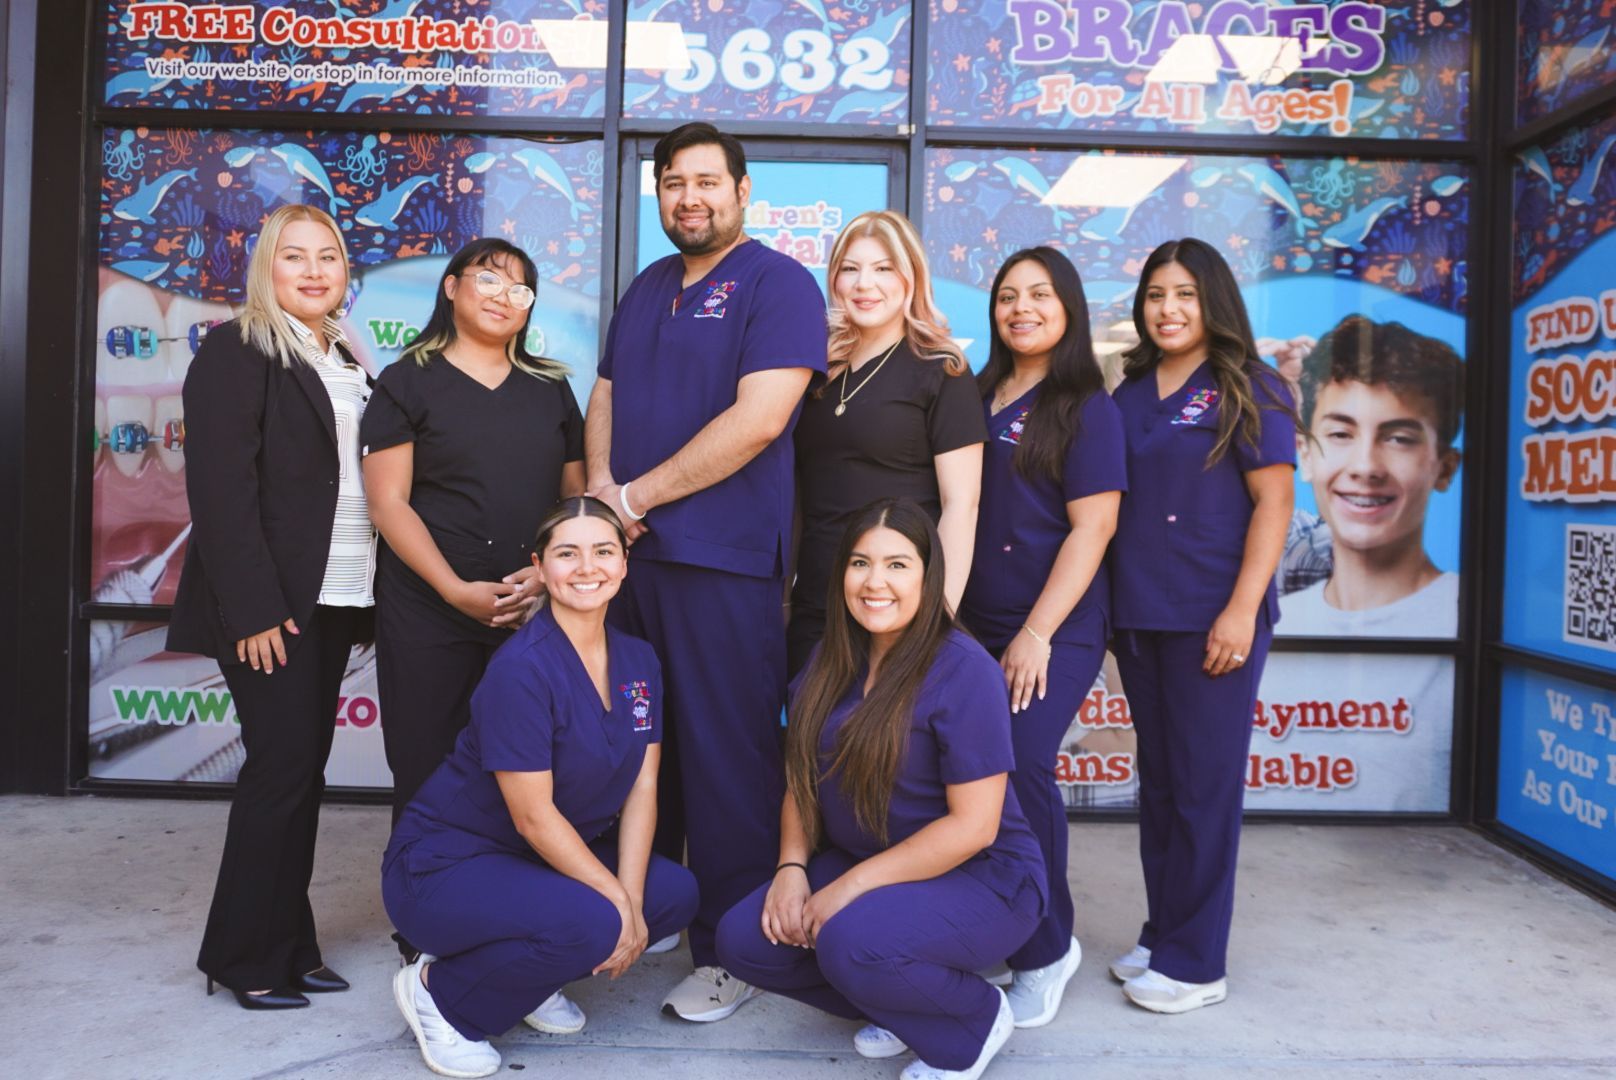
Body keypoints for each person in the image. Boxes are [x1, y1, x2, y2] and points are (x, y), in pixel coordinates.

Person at [584, 121, 827, 1019]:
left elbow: (762, 418)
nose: (690, 198)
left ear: (742, 190)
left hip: (722, 564)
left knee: (728, 763)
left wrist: (635, 499)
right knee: (640, 755)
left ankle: (737, 951)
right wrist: (607, 495)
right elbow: (604, 395)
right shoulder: (648, 287)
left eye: (707, 183)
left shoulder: (780, 283)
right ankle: (641, 918)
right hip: (629, 569)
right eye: (673, 184)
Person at [717, 498, 1046, 1080]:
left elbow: (975, 826)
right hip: (870, 861)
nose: (875, 582)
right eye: (860, 563)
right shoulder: (829, 659)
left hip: (986, 878)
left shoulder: (964, 669)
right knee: (745, 940)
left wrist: (846, 889)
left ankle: (971, 1021)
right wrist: (791, 868)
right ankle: (904, 1005)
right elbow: (802, 780)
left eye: (897, 565)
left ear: (928, 575)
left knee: (850, 941)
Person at [384, 497, 699, 1079]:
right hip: (445, 867)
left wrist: (630, 897)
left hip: (531, 865)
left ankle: (524, 975)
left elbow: (643, 787)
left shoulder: (638, 659)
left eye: (603, 551)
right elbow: (531, 818)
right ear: (541, 566)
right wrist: (616, 907)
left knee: (670, 894)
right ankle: (441, 994)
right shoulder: (522, 668)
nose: (587, 568)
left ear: (625, 562)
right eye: (567, 554)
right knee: (599, 920)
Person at [167, 204, 375, 1009]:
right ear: (266, 266)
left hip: (332, 598)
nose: (315, 270)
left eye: (328, 256)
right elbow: (221, 494)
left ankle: (290, 945)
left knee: (299, 775)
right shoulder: (239, 347)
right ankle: (245, 958)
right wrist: (252, 609)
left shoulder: (343, 351)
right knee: (280, 776)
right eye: (295, 257)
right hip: (271, 608)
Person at [362, 238, 585, 960]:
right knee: (426, 764)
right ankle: (424, 927)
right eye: (488, 278)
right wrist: (453, 589)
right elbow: (390, 504)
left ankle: (514, 915)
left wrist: (546, 576)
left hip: (528, 611)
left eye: (520, 289)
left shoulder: (550, 387)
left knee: (524, 771)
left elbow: (574, 501)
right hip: (429, 607)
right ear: (454, 287)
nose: (501, 295)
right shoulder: (407, 381)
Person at [1108, 238, 1297, 1013]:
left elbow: (1275, 506)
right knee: (1161, 785)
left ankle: (1195, 965)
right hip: (1140, 613)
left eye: (1185, 293)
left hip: (1213, 618)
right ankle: (1162, 933)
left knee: (1203, 792)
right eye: (1156, 294)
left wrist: (1241, 610)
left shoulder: (1251, 385)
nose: (1169, 309)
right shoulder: (1128, 391)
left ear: (1213, 300)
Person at [959, 247, 1125, 1027]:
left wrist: (1035, 633)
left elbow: (1093, 530)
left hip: (1053, 628)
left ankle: (1049, 948)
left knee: (1021, 767)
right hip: (974, 623)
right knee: (965, 780)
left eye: (1040, 295)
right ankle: (1004, 919)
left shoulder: (1086, 405)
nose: (1021, 308)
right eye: (1007, 297)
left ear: (1069, 307)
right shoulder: (979, 391)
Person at [788, 210, 984, 677]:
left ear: (910, 277)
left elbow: (963, 505)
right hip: (818, 601)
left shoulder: (942, 371)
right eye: (850, 268)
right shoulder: (814, 369)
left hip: (898, 608)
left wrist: (938, 620)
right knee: (809, 744)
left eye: (882, 269)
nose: (864, 283)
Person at [1281, 315, 1463, 637]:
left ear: (1445, 468)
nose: (1365, 467)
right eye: (1340, 434)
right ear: (1304, 455)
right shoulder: (1274, 625)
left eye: (1399, 439)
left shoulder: (1469, 617)